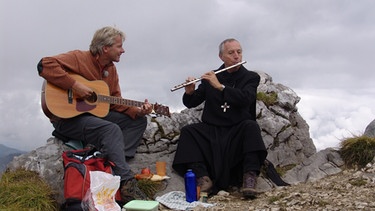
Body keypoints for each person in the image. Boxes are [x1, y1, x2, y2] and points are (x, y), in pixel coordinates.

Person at [37, 26, 151, 203]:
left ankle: (111, 162)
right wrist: (76, 86)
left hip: (91, 116)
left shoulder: (110, 70)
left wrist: (137, 110)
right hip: (65, 118)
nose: (123, 50)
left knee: (138, 121)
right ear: (105, 48)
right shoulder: (79, 58)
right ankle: (126, 183)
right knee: (110, 129)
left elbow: (114, 101)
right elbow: (44, 65)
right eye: (119, 46)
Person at [172, 38, 267, 198]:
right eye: (231, 53)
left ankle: (249, 177)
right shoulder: (212, 77)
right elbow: (192, 102)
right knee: (189, 132)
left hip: (237, 130)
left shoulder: (250, 77)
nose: (236, 56)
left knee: (251, 127)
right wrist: (189, 92)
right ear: (221, 57)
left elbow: (246, 98)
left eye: (239, 52)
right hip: (213, 130)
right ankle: (202, 177)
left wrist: (220, 87)